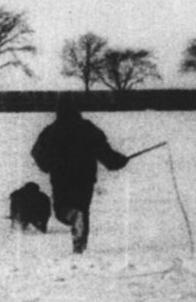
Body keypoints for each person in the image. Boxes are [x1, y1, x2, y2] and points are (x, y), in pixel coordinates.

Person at [31, 95, 128, 253]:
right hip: (85, 177)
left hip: (61, 177)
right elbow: (104, 151)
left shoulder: (51, 131)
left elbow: (37, 152)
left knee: (62, 211)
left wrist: (47, 166)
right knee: (83, 209)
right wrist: (118, 161)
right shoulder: (88, 128)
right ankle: (79, 247)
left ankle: (72, 217)